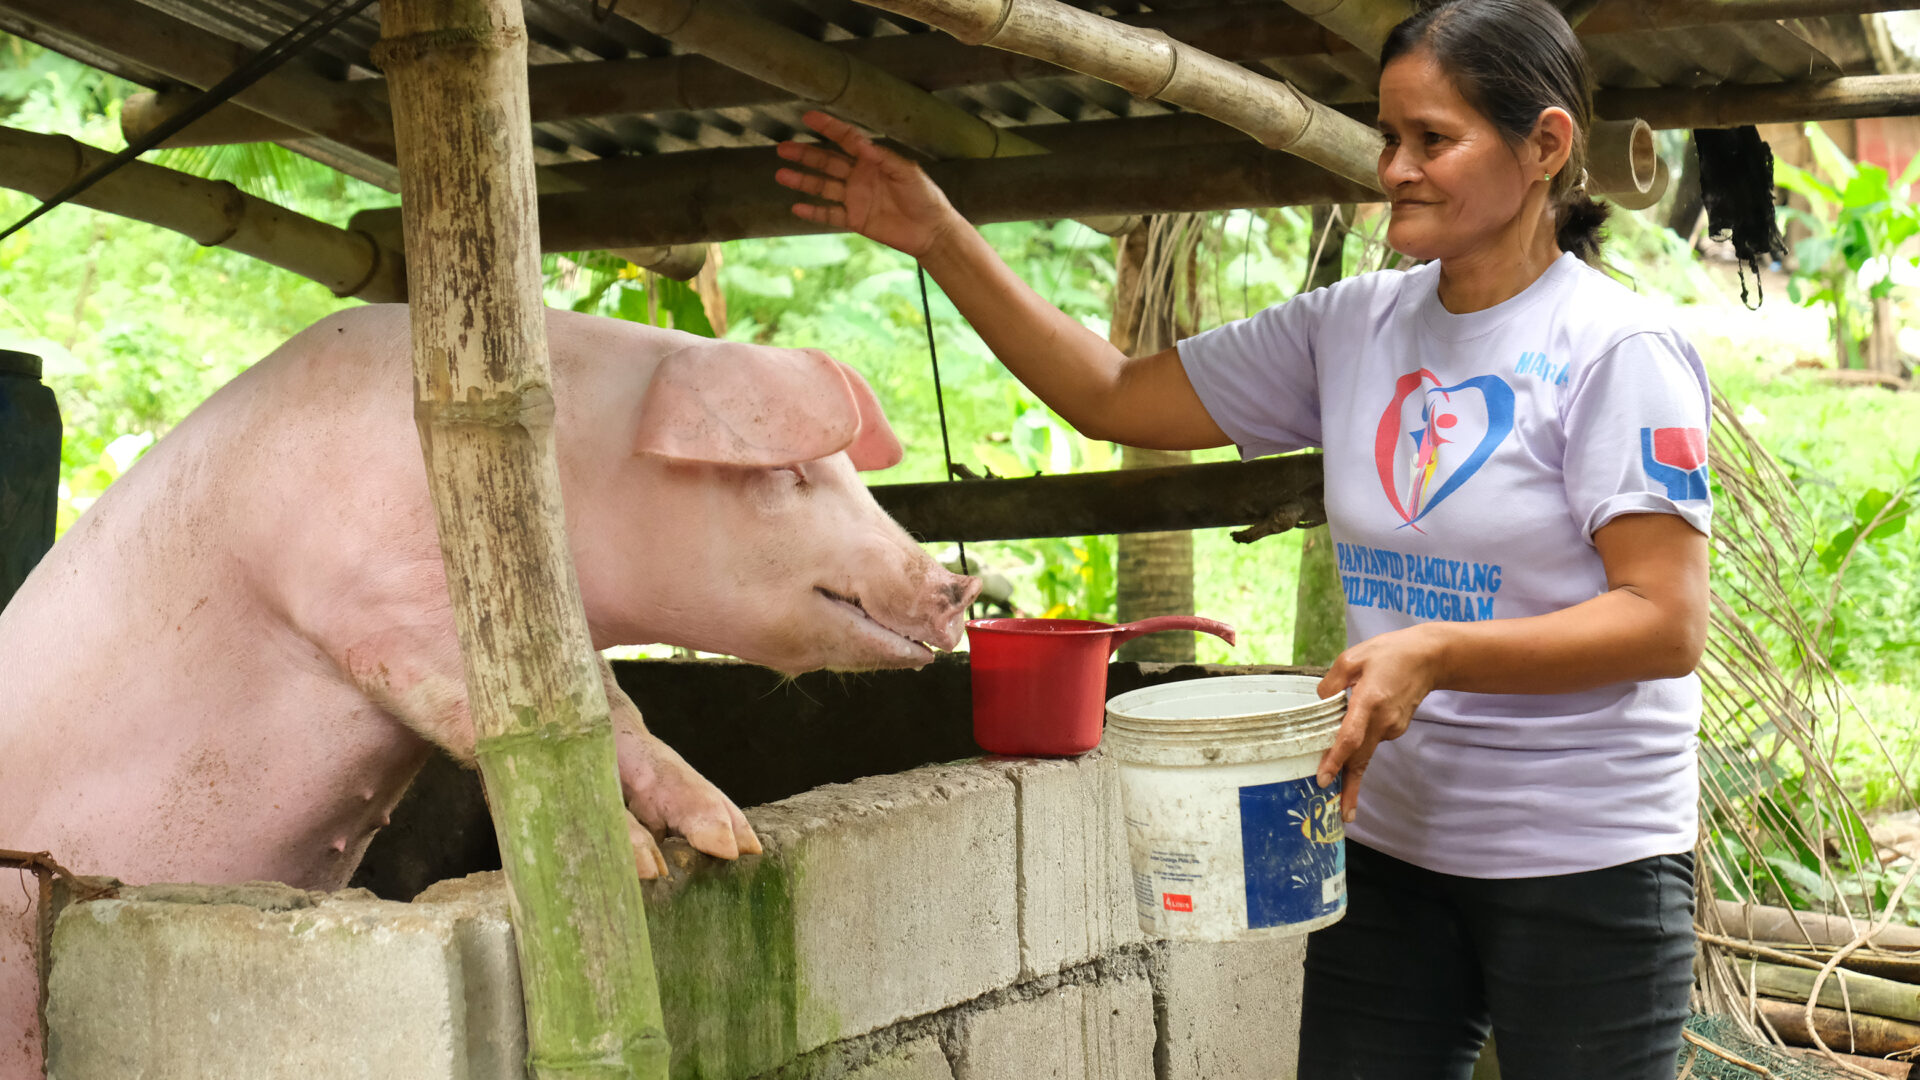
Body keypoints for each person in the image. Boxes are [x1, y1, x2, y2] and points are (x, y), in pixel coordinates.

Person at [774, 0, 1708, 1074]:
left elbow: (1663, 620)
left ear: (1545, 146)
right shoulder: (1351, 326)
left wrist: (1439, 652)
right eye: (1388, 135)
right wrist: (938, 234)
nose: (1396, 166)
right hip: (1389, 851)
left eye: (1434, 140)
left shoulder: (1615, 350)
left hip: (1585, 864)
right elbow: (1116, 396)